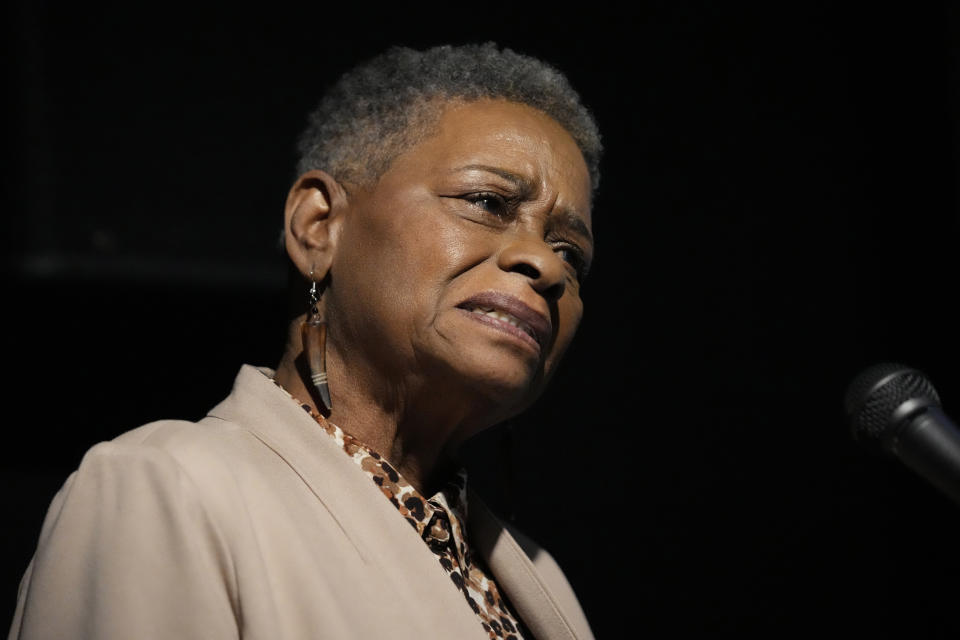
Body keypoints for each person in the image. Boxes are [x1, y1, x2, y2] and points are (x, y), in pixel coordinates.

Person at [8, 42, 601, 640]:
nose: (543, 265)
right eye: (487, 202)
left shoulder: (543, 585)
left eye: (570, 253)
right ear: (319, 227)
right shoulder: (168, 489)